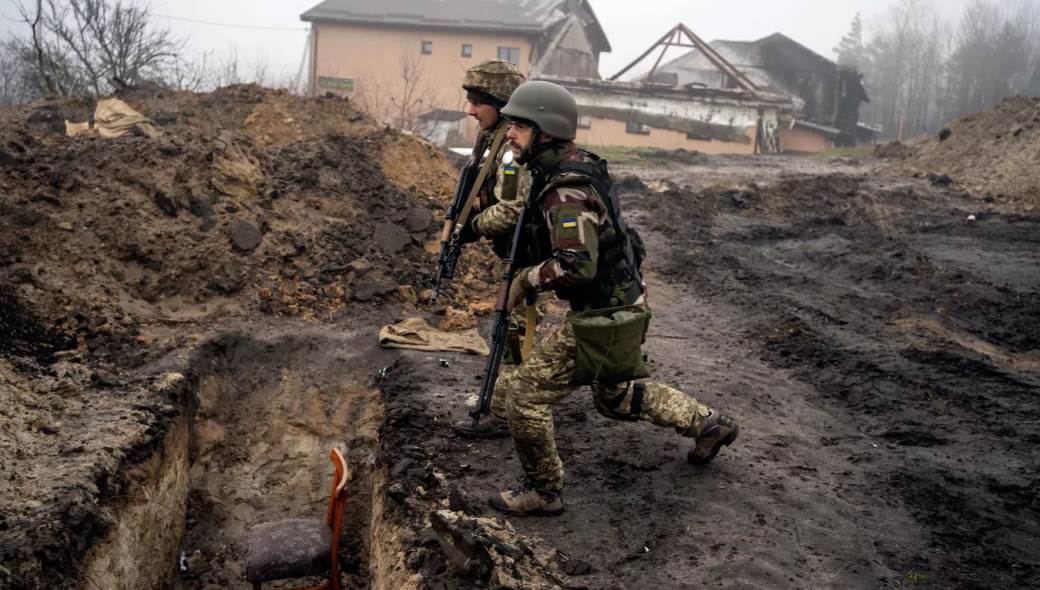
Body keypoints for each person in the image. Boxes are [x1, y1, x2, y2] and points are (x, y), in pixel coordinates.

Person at [486, 81, 741, 516]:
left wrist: (525, 279)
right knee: (613, 395)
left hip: (605, 310)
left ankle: (543, 491)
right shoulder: (572, 166)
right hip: (621, 301)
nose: (510, 134)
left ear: (544, 130)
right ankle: (708, 424)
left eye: (519, 126)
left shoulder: (565, 190)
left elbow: (575, 267)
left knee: (525, 396)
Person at [450, 59, 534, 440]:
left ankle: (503, 413)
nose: (470, 109)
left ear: (499, 105)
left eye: (478, 102)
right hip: (523, 257)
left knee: (515, 334)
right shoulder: (496, 140)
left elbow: (512, 210)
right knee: (513, 331)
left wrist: (472, 227)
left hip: (533, 259)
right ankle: (503, 405)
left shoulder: (510, 149)